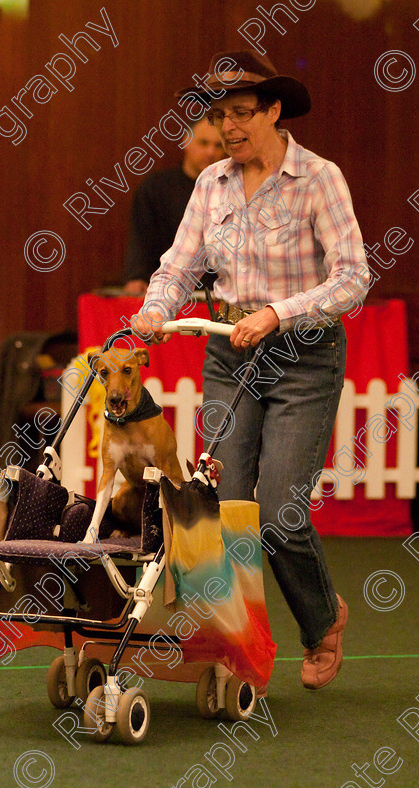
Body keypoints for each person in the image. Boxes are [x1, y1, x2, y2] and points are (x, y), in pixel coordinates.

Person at [131, 49, 370, 691]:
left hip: (303, 356)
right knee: (226, 508)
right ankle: (232, 646)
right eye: (220, 115)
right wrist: (155, 309)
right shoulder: (211, 184)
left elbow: (353, 279)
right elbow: (180, 266)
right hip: (228, 356)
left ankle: (321, 621)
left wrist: (278, 313)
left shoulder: (319, 179)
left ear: (273, 112)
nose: (229, 127)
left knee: (278, 514)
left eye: (241, 113)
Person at [123, 116, 226, 295]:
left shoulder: (231, 188)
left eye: (218, 145)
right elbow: (141, 237)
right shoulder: (156, 187)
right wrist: (136, 276)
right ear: (185, 142)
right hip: (168, 290)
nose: (211, 152)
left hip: (219, 293)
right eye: (203, 143)